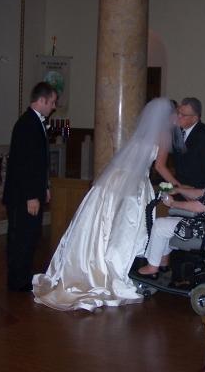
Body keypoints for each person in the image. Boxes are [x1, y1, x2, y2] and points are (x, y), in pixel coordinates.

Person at [33, 98, 183, 311]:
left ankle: (95, 264)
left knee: (103, 224)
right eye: (176, 114)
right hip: (133, 185)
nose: (177, 118)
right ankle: (113, 270)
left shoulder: (142, 133)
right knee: (125, 229)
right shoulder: (162, 135)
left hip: (114, 180)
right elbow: (160, 166)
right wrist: (178, 185)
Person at [137, 142, 205, 276]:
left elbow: (199, 207)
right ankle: (163, 263)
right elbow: (202, 193)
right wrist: (178, 190)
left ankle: (152, 267)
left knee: (160, 225)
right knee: (169, 222)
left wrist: (173, 203)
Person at [3, 82, 58, 292]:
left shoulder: (35, 122)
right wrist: (31, 196)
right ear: (42, 100)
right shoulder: (26, 124)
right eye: (52, 102)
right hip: (23, 196)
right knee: (21, 237)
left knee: (30, 236)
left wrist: (44, 187)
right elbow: (23, 164)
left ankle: (23, 276)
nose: (54, 107)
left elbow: (38, 163)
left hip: (31, 192)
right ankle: (17, 281)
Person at [173, 97, 205, 188]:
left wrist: (194, 190)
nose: (178, 117)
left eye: (183, 115)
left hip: (197, 188)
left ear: (195, 118)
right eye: (178, 113)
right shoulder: (177, 132)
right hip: (179, 186)